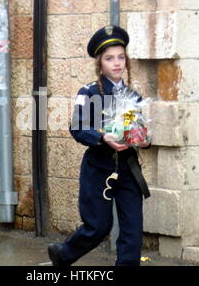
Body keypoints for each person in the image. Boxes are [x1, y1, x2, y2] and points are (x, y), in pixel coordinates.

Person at [48, 25, 151, 266]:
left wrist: (144, 141)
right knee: (98, 227)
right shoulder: (90, 93)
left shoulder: (133, 96)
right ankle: (63, 255)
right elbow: (78, 128)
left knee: (132, 233)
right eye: (109, 58)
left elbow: (140, 132)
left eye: (121, 57)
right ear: (100, 63)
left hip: (128, 170)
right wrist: (103, 137)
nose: (116, 63)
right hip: (98, 169)